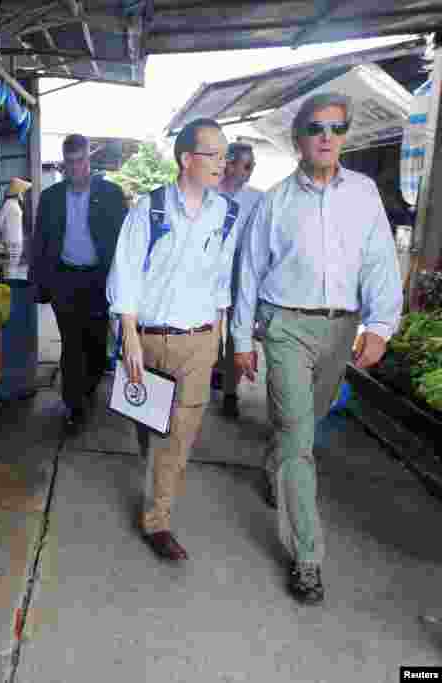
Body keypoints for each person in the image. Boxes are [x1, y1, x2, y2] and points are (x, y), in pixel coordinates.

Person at [231, 93, 402, 604]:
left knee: (304, 423)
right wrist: (241, 338)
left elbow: (378, 261)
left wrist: (381, 326)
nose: (327, 137)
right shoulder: (275, 201)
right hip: (285, 327)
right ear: (298, 137)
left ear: (345, 135)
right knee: (300, 441)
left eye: (337, 128)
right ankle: (307, 558)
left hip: (341, 329)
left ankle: (271, 464)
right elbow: (249, 272)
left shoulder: (364, 193)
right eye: (316, 128)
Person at [107, 118, 240, 562]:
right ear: (187, 159)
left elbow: (222, 278)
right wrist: (127, 336)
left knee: (178, 435)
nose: (224, 163)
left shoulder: (227, 213)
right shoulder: (151, 209)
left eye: (226, 155)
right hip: (149, 338)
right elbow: (125, 272)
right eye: (214, 155)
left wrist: (221, 332)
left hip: (199, 340)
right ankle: (154, 465)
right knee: (150, 425)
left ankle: (157, 520)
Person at [29, 134, 128, 435]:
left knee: (96, 343)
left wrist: (125, 283)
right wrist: (40, 284)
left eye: (80, 161)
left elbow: (125, 243)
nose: (75, 168)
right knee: (72, 344)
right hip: (65, 280)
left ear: (89, 160)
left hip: (99, 280)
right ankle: (74, 406)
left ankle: (89, 386)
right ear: (63, 164)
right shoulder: (50, 198)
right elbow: (40, 242)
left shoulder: (111, 194)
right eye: (69, 163)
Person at [216, 143, 265, 418]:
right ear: (229, 164)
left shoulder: (258, 199)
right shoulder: (208, 192)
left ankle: (230, 393)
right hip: (208, 264)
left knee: (238, 328)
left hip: (241, 266)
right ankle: (213, 370)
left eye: (252, 166)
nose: (250, 171)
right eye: (247, 165)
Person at [0, 177, 32, 280]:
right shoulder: (8, 204)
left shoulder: (16, 204)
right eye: (21, 192)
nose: (23, 194)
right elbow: (0, 222)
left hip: (17, 239)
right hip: (11, 240)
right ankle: (10, 285)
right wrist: (5, 235)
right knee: (12, 266)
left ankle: (12, 283)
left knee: (14, 265)